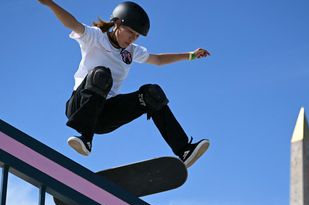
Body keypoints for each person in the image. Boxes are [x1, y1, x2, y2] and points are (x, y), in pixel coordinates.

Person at [38, 0, 210, 168]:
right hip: (79, 107)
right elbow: (72, 23)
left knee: (152, 94)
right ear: (117, 23)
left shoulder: (132, 51)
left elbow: (157, 59)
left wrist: (190, 55)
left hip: (104, 116)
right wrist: (50, 3)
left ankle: (184, 150)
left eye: (136, 36)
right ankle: (85, 138)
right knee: (102, 75)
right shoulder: (96, 37)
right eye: (130, 32)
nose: (132, 39)